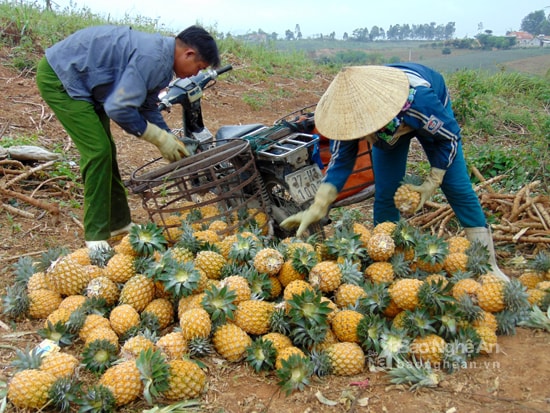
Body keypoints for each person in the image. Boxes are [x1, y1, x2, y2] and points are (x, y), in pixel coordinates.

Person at [281, 63, 509, 281]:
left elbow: (448, 138)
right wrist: (319, 205)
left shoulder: (422, 101)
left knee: (456, 186)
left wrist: (433, 180)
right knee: (387, 191)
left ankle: (487, 264)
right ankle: (386, 260)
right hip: (387, 127)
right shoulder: (347, 117)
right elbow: (341, 160)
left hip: (415, 109)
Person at [36, 24, 220, 250]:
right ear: (188, 54)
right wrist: (158, 138)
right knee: (98, 152)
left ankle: (118, 223)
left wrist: (170, 137)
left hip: (89, 82)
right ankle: (95, 235)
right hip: (62, 78)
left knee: (107, 152)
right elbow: (118, 108)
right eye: (198, 67)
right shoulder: (152, 57)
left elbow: (147, 107)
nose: (196, 74)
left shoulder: (162, 61)